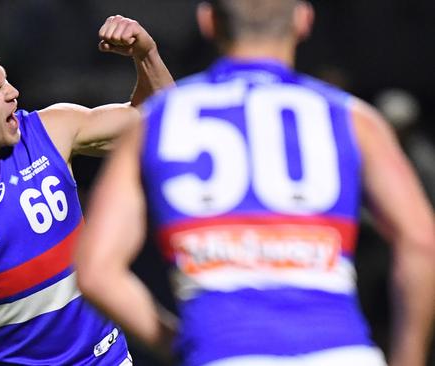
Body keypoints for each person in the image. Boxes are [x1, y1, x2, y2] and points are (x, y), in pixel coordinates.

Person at [75, 1, 435, 366]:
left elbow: (96, 271)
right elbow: (421, 241)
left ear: (208, 21)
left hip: (225, 353)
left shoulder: (160, 121)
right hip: (341, 352)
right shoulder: (352, 118)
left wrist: (180, 344)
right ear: (304, 20)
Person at [0, 15, 174, 365]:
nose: (13, 94)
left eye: (6, 81)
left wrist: (145, 53)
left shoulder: (52, 131)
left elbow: (163, 122)